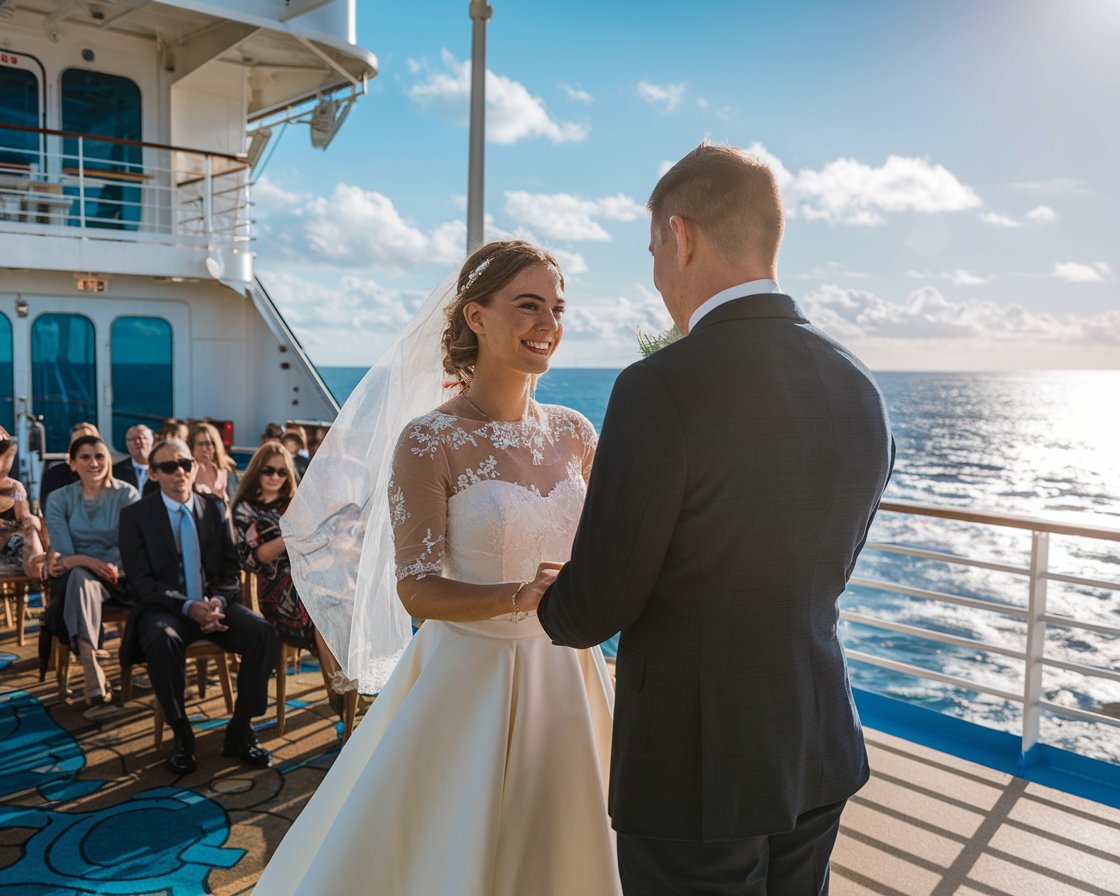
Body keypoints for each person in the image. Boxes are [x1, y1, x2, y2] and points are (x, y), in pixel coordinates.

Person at [535, 142, 895, 895]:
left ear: (682, 235)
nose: (657, 271)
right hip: (817, 741)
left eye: (653, 249)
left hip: (696, 767)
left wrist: (549, 595)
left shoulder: (660, 388)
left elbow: (599, 602)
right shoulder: (857, 383)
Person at [255, 241, 619, 895]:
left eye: (557, 309)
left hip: (569, 673)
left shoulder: (576, 433)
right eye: (527, 305)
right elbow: (416, 590)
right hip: (470, 678)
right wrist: (521, 594)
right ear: (475, 317)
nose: (547, 325)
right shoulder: (429, 440)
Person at [118, 438, 277, 774]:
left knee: (262, 633)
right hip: (164, 608)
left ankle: (240, 729)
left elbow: (230, 570)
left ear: (193, 467)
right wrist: (189, 606)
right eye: (168, 467)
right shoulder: (135, 516)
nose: (179, 472)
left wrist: (217, 601)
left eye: (185, 464)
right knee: (161, 639)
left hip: (213, 605)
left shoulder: (215, 508)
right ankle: (182, 734)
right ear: (153, 474)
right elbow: (140, 582)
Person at [230, 441, 345, 718]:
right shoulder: (246, 509)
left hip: (311, 582)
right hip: (277, 593)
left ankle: (355, 695)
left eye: (281, 472)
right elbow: (258, 557)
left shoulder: (295, 504)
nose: (274, 477)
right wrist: (293, 537)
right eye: (268, 470)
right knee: (326, 622)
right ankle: (342, 704)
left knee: (348, 613)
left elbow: (317, 542)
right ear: (257, 471)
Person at [44, 435, 139, 720]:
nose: (94, 463)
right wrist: (89, 562)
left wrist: (95, 564)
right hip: (77, 575)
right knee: (79, 579)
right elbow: (63, 552)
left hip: (119, 577)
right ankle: (90, 662)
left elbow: (130, 545)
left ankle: (89, 660)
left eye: (100, 456)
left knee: (78, 576)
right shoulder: (59, 498)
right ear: (72, 464)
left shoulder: (127, 494)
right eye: (85, 457)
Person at [39, 421, 99, 511]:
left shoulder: (110, 474)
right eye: (77, 443)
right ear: (70, 449)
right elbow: (49, 509)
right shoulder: (53, 476)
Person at [188, 421, 238, 502]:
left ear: (215, 446)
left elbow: (232, 500)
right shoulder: (187, 471)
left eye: (208, 444)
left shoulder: (224, 470)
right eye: (200, 444)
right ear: (191, 446)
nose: (204, 449)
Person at [112, 424, 153, 494]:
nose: (137, 442)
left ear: (152, 440)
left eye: (141, 438)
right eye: (131, 439)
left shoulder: (163, 469)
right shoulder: (115, 471)